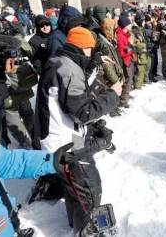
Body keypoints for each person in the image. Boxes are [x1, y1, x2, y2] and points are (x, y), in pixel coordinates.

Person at [34, 26, 121, 236]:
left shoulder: (61, 61)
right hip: (62, 142)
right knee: (89, 186)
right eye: (91, 50)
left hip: (64, 133)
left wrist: (96, 61)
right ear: (83, 48)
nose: (91, 53)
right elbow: (82, 112)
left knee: (74, 186)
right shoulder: (69, 70)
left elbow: (75, 91)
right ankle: (86, 230)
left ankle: (76, 222)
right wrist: (112, 95)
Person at [0, 141, 71, 237]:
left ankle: (15, 230)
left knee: (12, 222)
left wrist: (51, 161)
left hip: (5, 214)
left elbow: (8, 161)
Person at [116, 15, 134, 108]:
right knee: (127, 80)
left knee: (129, 80)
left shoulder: (124, 34)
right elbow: (121, 53)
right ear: (125, 25)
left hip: (128, 60)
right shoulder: (120, 36)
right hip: (125, 62)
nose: (131, 25)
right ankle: (123, 101)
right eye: (129, 24)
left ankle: (125, 96)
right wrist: (130, 48)